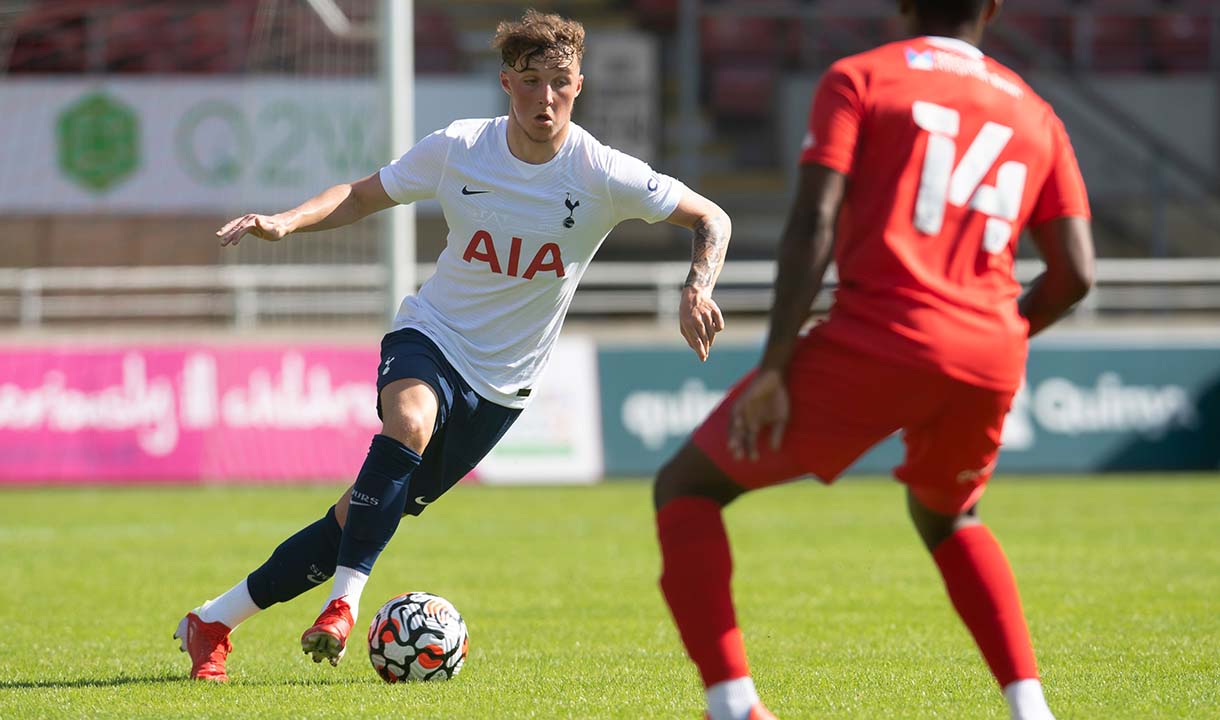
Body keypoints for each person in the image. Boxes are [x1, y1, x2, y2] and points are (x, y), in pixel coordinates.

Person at [175, 9, 731, 682]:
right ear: (505, 83)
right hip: (430, 337)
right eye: (529, 82)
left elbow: (712, 216)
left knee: (353, 520)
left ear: (579, 85)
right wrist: (287, 222)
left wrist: (697, 287)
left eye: (558, 82)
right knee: (407, 421)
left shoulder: (602, 173)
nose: (544, 98)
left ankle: (211, 623)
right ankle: (344, 604)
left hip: (501, 389)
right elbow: (361, 195)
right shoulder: (461, 148)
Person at [652, 1, 1094, 719]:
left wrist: (774, 366)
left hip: (880, 334)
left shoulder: (862, 77)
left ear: (902, 3)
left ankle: (733, 707)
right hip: (990, 350)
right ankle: (1030, 707)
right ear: (992, 8)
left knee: (687, 487)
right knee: (950, 517)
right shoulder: (1037, 112)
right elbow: (1076, 273)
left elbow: (813, 222)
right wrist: (998, 330)